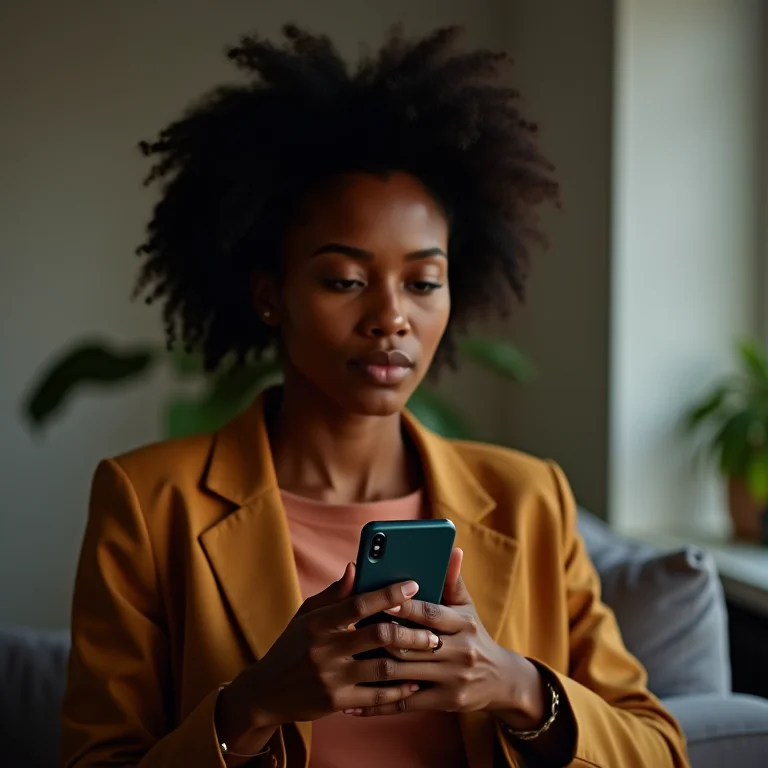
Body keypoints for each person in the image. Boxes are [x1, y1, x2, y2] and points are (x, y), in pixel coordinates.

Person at [60, 24, 688, 768]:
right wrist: (254, 704)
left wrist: (515, 685)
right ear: (269, 296)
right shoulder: (148, 503)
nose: (392, 317)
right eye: (345, 280)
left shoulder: (530, 499)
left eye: (423, 282)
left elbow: (661, 751)